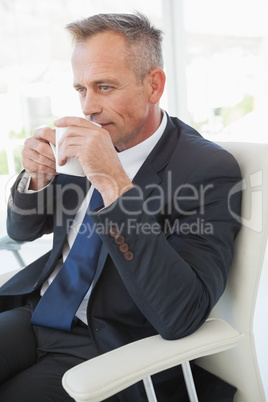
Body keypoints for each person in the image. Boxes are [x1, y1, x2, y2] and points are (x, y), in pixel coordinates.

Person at [0, 12, 241, 402]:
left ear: (154, 85)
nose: (88, 107)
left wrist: (112, 181)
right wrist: (35, 178)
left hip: (110, 340)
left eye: (104, 86)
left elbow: (180, 314)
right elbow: (22, 231)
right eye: (81, 89)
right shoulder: (82, 142)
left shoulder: (207, 170)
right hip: (37, 312)